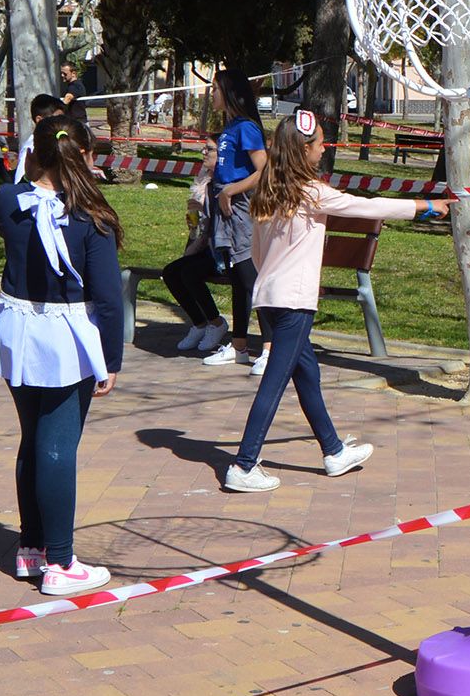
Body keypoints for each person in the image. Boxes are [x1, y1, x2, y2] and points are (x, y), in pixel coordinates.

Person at [223, 109, 446, 492]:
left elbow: (258, 254)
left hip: (271, 297)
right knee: (274, 383)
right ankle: (243, 465)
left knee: (307, 374)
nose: (324, 148)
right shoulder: (311, 193)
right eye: (321, 143)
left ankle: (333, 451)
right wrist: (423, 207)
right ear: (304, 149)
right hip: (294, 302)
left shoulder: (268, 191)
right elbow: (370, 207)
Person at [0, 117, 123, 595]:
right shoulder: (91, 218)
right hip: (65, 336)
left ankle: (32, 548)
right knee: (56, 445)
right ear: (81, 158)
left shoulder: (7, 200)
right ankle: (60, 562)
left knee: (33, 438)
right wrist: (112, 358)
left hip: (18, 328)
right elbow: (108, 299)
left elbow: (13, 210)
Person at [202, 71, 269, 371]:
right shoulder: (229, 128)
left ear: (230, 93)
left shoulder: (247, 129)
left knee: (251, 277)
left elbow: (263, 171)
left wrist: (232, 190)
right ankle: (239, 345)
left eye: (215, 88)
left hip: (241, 207)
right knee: (238, 280)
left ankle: (270, 347)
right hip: (224, 206)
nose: (211, 93)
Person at [161, 158, 228, 355]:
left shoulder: (228, 183)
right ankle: (199, 323)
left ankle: (216, 323)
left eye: (210, 149)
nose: (204, 153)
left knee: (190, 272)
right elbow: (203, 230)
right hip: (208, 247)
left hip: (227, 253)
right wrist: (195, 224)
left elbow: (226, 220)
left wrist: (205, 213)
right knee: (171, 272)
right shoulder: (204, 182)